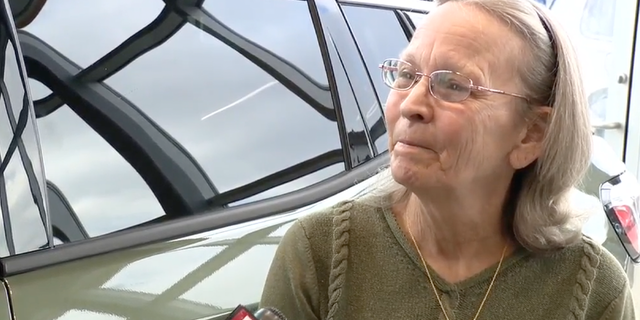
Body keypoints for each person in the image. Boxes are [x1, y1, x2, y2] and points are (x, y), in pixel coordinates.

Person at [260, 0, 635, 319]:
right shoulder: (319, 252)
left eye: (454, 85)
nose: (410, 105)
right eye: (406, 74)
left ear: (531, 134)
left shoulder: (591, 290)